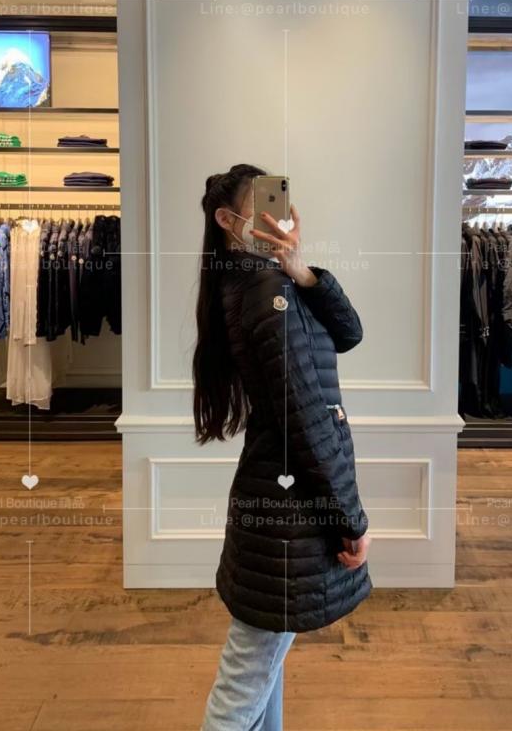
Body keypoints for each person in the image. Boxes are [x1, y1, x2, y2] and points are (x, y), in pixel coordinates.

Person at [194, 163, 371, 730]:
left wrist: (301, 269)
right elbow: (307, 418)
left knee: (263, 664)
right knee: (244, 681)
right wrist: (350, 520)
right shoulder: (264, 292)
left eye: (281, 204)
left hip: (278, 499)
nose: (278, 219)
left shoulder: (268, 282)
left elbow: (349, 332)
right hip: (291, 509)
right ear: (228, 221)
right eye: (262, 208)